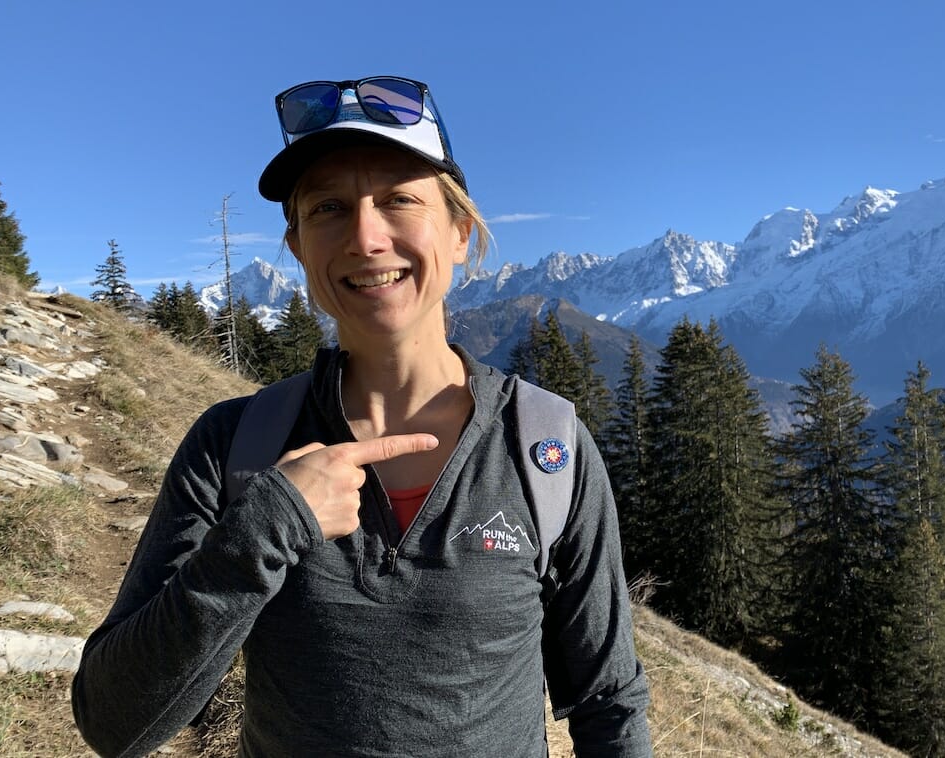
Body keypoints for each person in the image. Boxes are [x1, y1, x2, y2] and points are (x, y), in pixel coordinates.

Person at [72, 75, 652, 757]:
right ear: (298, 248)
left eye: (399, 199)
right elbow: (114, 725)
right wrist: (265, 527)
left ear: (461, 232)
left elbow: (609, 702)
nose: (366, 236)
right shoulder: (232, 446)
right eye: (328, 208)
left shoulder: (548, 448)